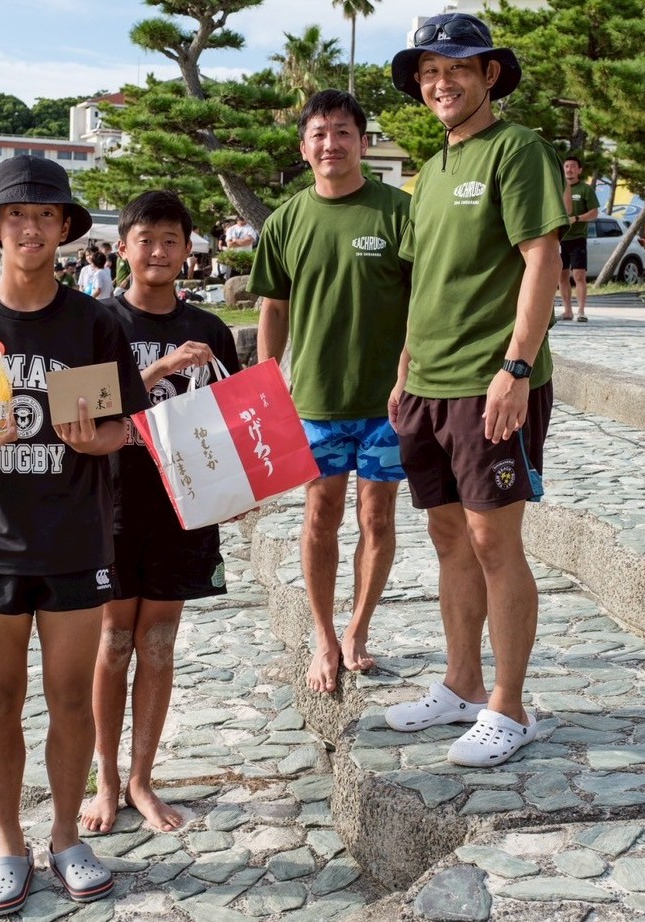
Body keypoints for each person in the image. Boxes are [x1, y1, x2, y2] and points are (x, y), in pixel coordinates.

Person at [0, 153, 148, 912]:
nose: (32, 227)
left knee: (71, 698)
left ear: (66, 228)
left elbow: (128, 425)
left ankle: (67, 837)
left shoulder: (96, 323)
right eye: (17, 215)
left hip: (75, 538)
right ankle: (9, 845)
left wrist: (96, 440)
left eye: (46, 215)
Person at [383, 13, 568, 767]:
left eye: (457, 67)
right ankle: (460, 684)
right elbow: (423, 281)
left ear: (490, 74)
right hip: (427, 384)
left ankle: (509, 705)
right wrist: (404, 368)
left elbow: (542, 258)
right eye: (429, 71)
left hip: (491, 382)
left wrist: (517, 368)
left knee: (494, 540)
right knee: (448, 536)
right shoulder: (428, 174)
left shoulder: (517, 149)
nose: (441, 82)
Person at [80, 190, 241, 835]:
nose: (158, 251)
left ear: (186, 250)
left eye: (171, 240)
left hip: (183, 506)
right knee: (113, 640)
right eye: (145, 239)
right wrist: (160, 370)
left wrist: (238, 487)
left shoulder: (210, 330)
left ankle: (142, 779)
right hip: (112, 503)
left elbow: (232, 421)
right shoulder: (96, 323)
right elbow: (79, 411)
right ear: (123, 247)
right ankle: (105, 780)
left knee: (158, 642)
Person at [249, 90, 412, 695]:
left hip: (387, 403)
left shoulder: (399, 212)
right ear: (303, 147)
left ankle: (358, 629)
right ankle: (323, 636)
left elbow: (423, 302)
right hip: (315, 401)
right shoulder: (286, 221)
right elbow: (273, 307)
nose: (331, 144)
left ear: (363, 143)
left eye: (343, 132)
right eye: (319, 134)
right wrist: (267, 383)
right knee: (320, 515)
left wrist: (407, 375)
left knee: (378, 516)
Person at [559, 155, 601, 322]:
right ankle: (567, 311)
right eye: (566, 166)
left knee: (579, 276)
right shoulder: (558, 188)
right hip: (559, 239)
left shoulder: (585, 189)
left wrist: (576, 218)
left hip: (577, 238)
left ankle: (581, 311)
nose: (569, 169)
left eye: (572, 166)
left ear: (579, 170)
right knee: (561, 276)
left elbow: (594, 213)